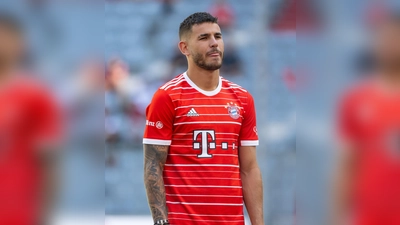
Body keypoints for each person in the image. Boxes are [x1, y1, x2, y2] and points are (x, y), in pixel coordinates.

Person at [143, 12, 264, 225]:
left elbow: (250, 169)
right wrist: (160, 221)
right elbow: (153, 164)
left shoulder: (243, 99)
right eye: (204, 38)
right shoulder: (167, 97)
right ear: (184, 48)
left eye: (218, 36)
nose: (214, 43)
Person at [332, 12, 400, 225]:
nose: (389, 45)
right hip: (369, 216)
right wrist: (337, 217)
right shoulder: (356, 100)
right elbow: (346, 165)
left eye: (394, 38)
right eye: (384, 38)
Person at [0, 12, 62, 225]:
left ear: (20, 43)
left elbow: (50, 163)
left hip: (17, 216)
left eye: (6, 36)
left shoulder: (35, 97)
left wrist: (44, 217)